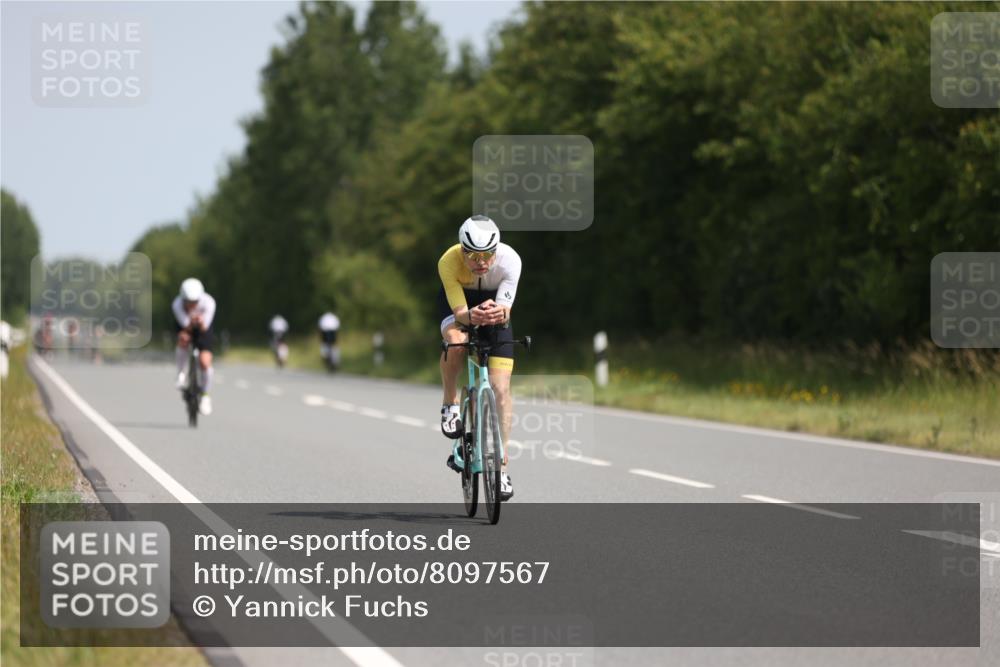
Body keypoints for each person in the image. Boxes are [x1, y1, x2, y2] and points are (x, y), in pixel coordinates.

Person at [438, 215, 521, 501]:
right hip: (461, 306)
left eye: (488, 254)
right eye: (473, 255)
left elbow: (506, 309)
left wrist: (499, 311)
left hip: (494, 309)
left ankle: (501, 467)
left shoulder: (510, 260)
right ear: (462, 250)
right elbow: (460, 313)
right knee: (457, 343)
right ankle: (450, 405)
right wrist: (470, 316)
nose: (481, 261)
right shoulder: (448, 262)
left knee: (501, 389)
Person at [172, 278, 216, 415]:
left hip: (203, 328)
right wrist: (190, 325)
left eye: (195, 302)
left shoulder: (209, 302)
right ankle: (181, 373)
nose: (191, 305)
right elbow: (185, 325)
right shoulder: (177, 304)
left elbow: (205, 327)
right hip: (186, 326)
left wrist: (200, 322)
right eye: (188, 302)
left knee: (204, 362)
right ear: (183, 299)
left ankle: (205, 396)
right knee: (183, 339)